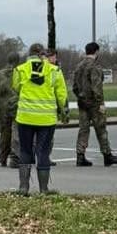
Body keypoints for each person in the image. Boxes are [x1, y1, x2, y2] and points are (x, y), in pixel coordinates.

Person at [12, 43, 68, 195]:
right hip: (46, 119)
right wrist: (64, 111)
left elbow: (16, 88)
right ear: (43, 54)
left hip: (25, 118)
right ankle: (44, 189)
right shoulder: (54, 70)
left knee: (25, 150)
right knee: (43, 152)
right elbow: (61, 94)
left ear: (29, 54)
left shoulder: (20, 69)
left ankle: (23, 188)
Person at [72, 41, 117, 166]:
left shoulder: (79, 66)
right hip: (94, 104)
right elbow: (96, 87)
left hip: (82, 103)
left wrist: (80, 96)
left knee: (83, 130)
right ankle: (107, 155)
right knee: (101, 129)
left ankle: (80, 156)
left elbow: (74, 87)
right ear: (96, 52)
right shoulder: (95, 66)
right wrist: (101, 103)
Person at [0, 52, 21, 167]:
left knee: (4, 133)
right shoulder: (21, 74)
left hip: (4, 109)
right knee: (17, 133)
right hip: (18, 108)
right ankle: (15, 156)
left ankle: (3, 157)